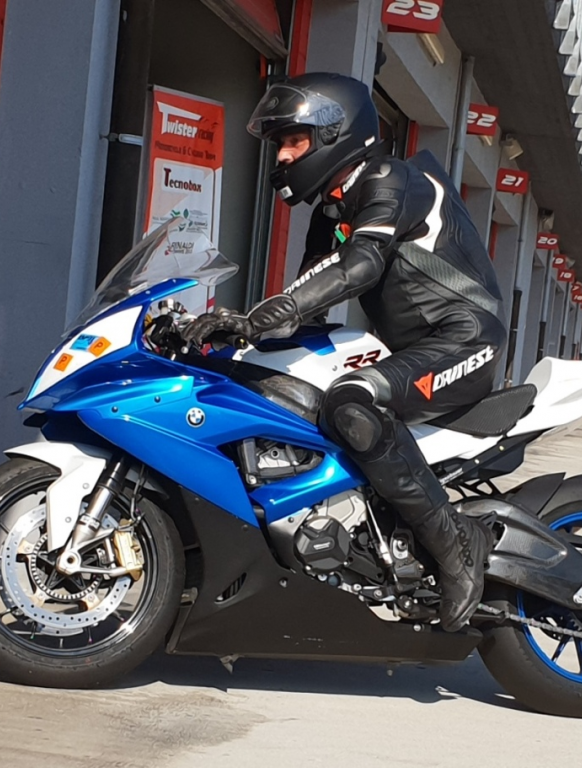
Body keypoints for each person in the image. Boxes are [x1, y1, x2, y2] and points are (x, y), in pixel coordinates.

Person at [182, 73, 508, 632]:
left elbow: (361, 264)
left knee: (352, 402)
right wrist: (227, 336)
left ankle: (458, 546)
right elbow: (306, 300)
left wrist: (264, 316)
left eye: (294, 140)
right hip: (410, 348)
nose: (282, 156)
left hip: (465, 340)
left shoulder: (390, 179)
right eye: (279, 143)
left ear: (336, 133)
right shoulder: (330, 213)